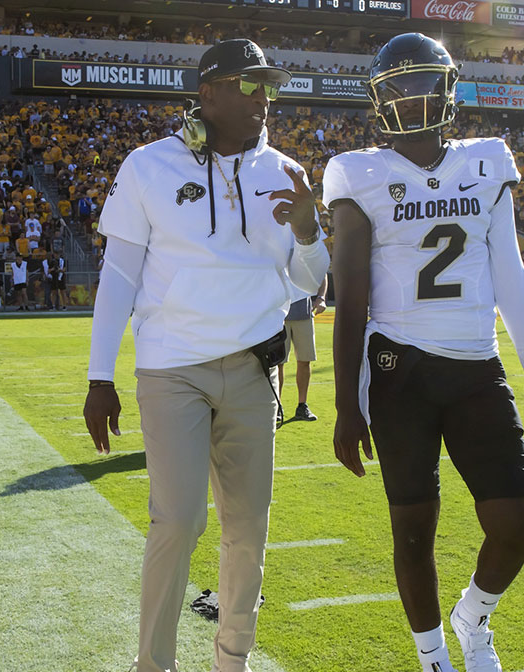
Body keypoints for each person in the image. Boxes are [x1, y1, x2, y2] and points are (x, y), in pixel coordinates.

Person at [82, 39, 328, 672]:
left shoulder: (286, 170)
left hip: (254, 369)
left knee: (248, 533)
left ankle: (232, 662)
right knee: (179, 519)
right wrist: (98, 375)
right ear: (208, 91)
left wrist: (307, 229)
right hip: (173, 370)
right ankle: (154, 665)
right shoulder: (148, 165)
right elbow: (118, 275)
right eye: (249, 85)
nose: (262, 99)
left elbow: (313, 282)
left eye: (268, 87)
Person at [327, 33, 524, 672]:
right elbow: (350, 301)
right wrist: (346, 406)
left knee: (515, 522)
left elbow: (511, 276)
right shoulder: (358, 172)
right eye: (399, 87)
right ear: (381, 101)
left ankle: (474, 616)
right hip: (398, 368)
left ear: (447, 88)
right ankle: (432, 655)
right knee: (414, 528)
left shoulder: (488, 160)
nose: (412, 98)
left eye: (423, 83)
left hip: (474, 365)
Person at [277, 278, 327, 422]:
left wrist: (321, 298)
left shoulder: (305, 255)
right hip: (279, 316)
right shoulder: (278, 254)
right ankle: (277, 406)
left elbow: (321, 272)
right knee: (278, 363)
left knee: (305, 361)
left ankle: (302, 406)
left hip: (304, 314)